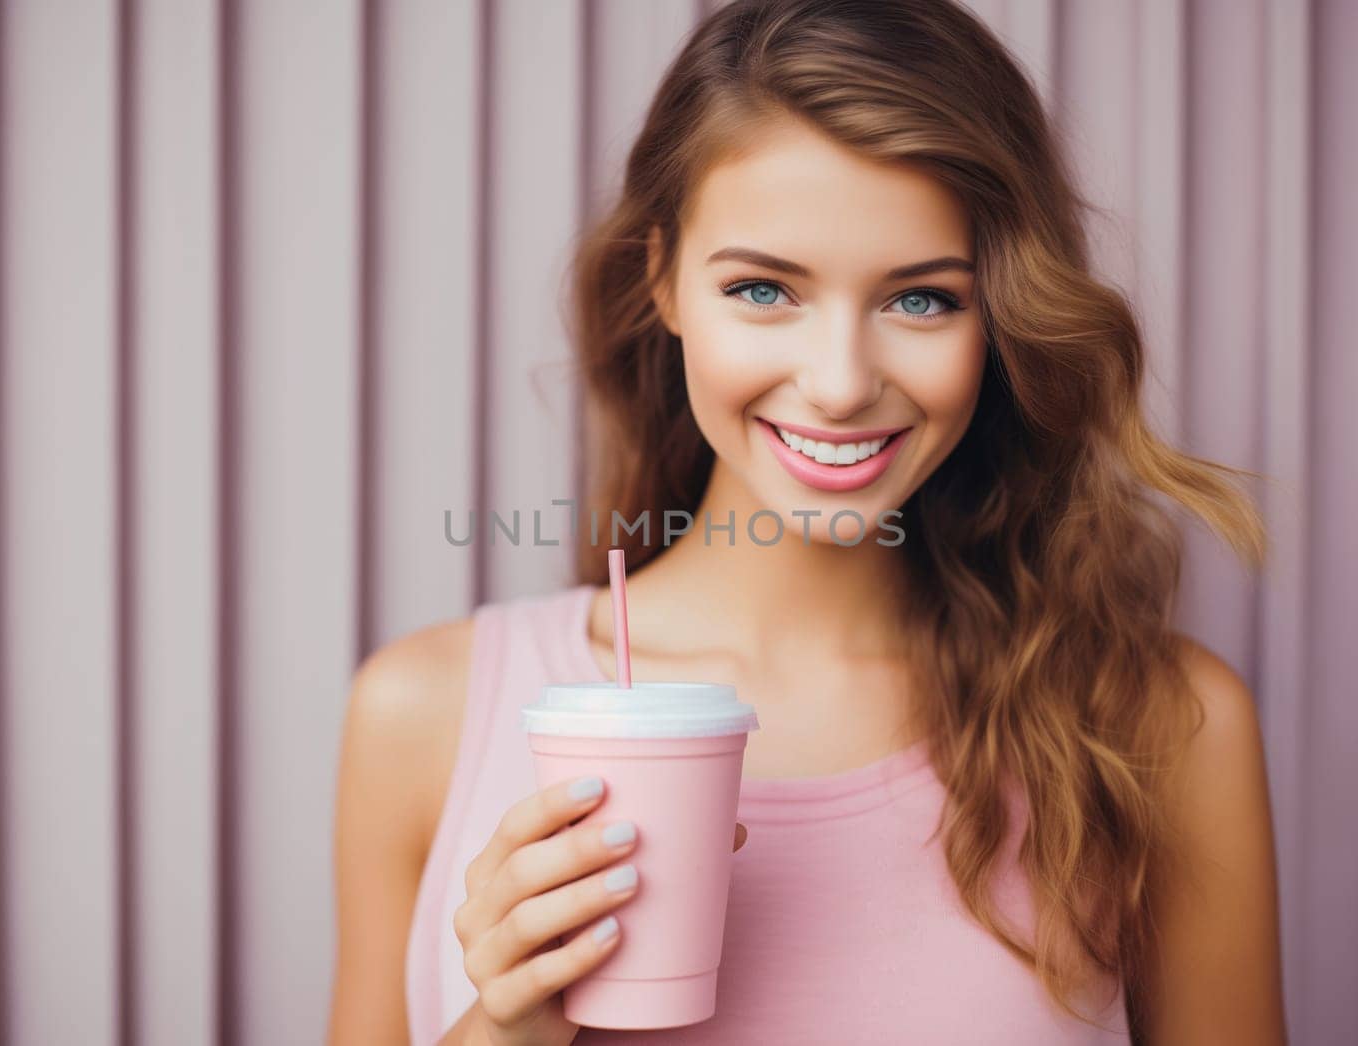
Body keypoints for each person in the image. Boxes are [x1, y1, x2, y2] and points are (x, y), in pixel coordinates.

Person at [327, 1, 1286, 1042]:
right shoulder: (422, 714)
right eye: (762, 288)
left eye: (920, 301)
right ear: (664, 280)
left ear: (1001, 314)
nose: (837, 385)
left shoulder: (1157, 727)